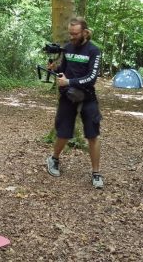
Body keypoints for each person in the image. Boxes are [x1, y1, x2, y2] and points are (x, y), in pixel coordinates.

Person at [45, 17, 104, 189]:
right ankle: (54, 159)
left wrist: (69, 82)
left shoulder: (94, 51)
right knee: (63, 132)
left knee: (93, 135)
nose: (71, 37)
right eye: (70, 33)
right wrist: (54, 69)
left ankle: (96, 173)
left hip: (87, 97)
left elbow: (92, 78)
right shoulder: (68, 48)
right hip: (67, 97)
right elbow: (63, 69)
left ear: (84, 32)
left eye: (75, 34)